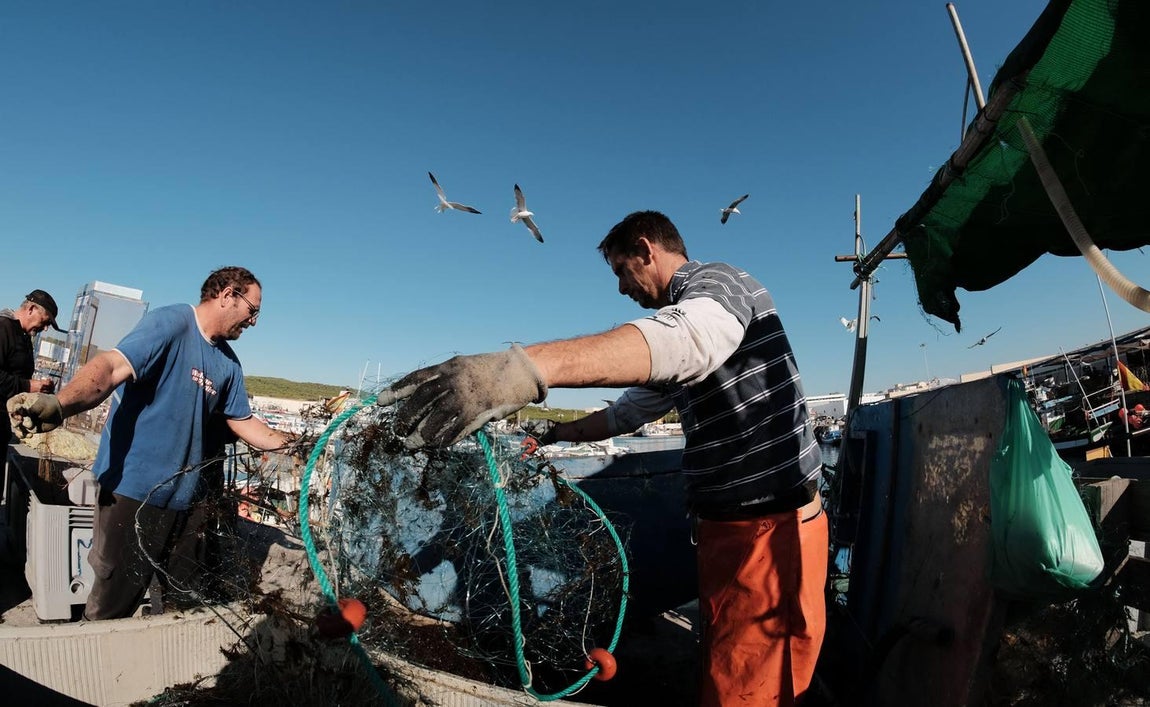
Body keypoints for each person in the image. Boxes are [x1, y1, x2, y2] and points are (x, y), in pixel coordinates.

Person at [381, 210, 826, 706]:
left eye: (619, 270)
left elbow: (688, 341)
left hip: (769, 530)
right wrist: (555, 432)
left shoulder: (716, 282)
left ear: (646, 250)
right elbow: (629, 413)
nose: (620, 288)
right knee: (727, 664)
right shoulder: (686, 332)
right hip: (731, 531)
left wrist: (527, 367)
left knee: (747, 688)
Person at [7, 266, 300, 620]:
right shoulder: (172, 323)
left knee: (183, 601)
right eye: (252, 311)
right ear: (227, 296)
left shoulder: (230, 366)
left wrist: (292, 445)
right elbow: (111, 368)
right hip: (133, 491)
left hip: (186, 503)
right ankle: (96, 658)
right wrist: (61, 404)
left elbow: (242, 422)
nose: (253, 322)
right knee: (112, 601)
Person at [0, 290, 65, 449]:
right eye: (46, 321)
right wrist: (28, 386)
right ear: (31, 309)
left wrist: (38, 391)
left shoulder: (23, 335)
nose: (46, 328)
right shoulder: (3, 328)